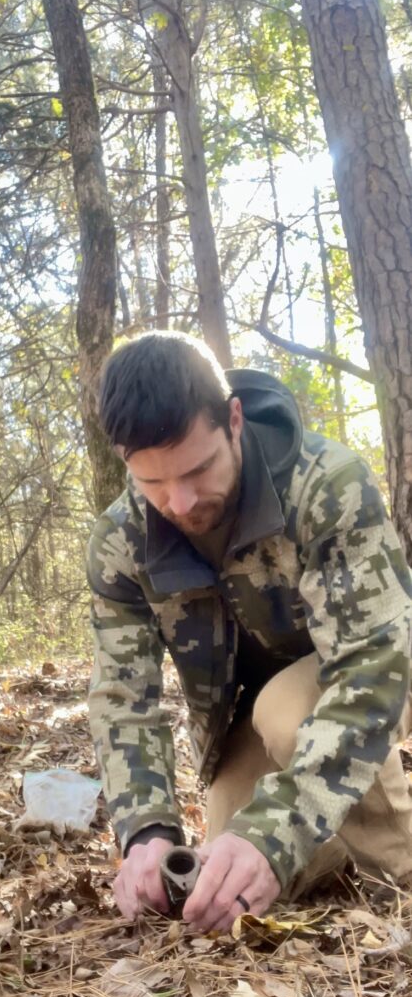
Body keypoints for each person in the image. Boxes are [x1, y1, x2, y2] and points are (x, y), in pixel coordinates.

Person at [87, 331, 412, 933]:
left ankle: (401, 869)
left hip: (375, 666)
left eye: (197, 469)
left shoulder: (325, 484)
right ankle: (339, 845)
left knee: (288, 720)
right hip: (247, 717)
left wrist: (275, 836)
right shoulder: (119, 546)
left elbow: (374, 670)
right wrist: (148, 833)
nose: (180, 502)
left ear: (233, 419)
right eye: (152, 483)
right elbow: (124, 701)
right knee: (220, 870)